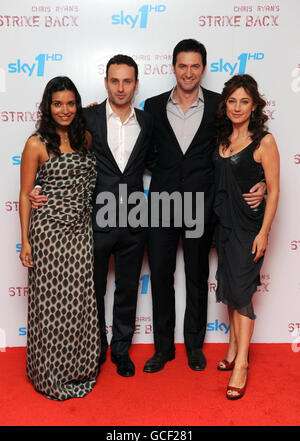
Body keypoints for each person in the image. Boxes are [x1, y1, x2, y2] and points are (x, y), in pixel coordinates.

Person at [143, 39, 266, 373]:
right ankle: (163, 349)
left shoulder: (218, 106)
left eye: (195, 66)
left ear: (203, 68)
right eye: (182, 65)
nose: (188, 72)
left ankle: (194, 347)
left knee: (197, 276)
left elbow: (239, 149)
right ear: (172, 67)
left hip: (202, 204)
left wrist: (264, 180)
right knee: (161, 278)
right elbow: (140, 150)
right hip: (162, 205)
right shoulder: (152, 107)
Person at [30, 55, 153, 378]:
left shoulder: (148, 120)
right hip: (93, 221)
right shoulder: (85, 118)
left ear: (136, 84)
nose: (121, 87)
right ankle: (95, 348)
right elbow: (56, 153)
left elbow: (163, 163)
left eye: (127, 81)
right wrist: (35, 189)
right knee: (92, 289)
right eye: (115, 80)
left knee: (127, 287)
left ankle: (121, 351)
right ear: (106, 82)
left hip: (135, 218)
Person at [19, 76, 100, 400]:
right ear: (47, 107)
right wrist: (25, 241)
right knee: (49, 307)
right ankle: (48, 372)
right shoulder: (36, 143)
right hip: (49, 237)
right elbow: (25, 195)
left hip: (80, 234)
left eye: (70, 103)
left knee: (78, 305)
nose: (64, 110)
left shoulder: (86, 139)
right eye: (57, 104)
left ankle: (77, 368)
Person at [213, 74, 280, 399]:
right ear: (225, 105)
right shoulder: (222, 138)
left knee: (241, 293)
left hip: (248, 229)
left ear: (254, 106)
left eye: (244, 101)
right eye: (232, 101)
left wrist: (264, 232)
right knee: (229, 288)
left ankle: (241, 364)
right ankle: (232, 350)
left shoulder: (264, 141)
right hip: (223, 227)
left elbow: (275, 188)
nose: (238, 107)